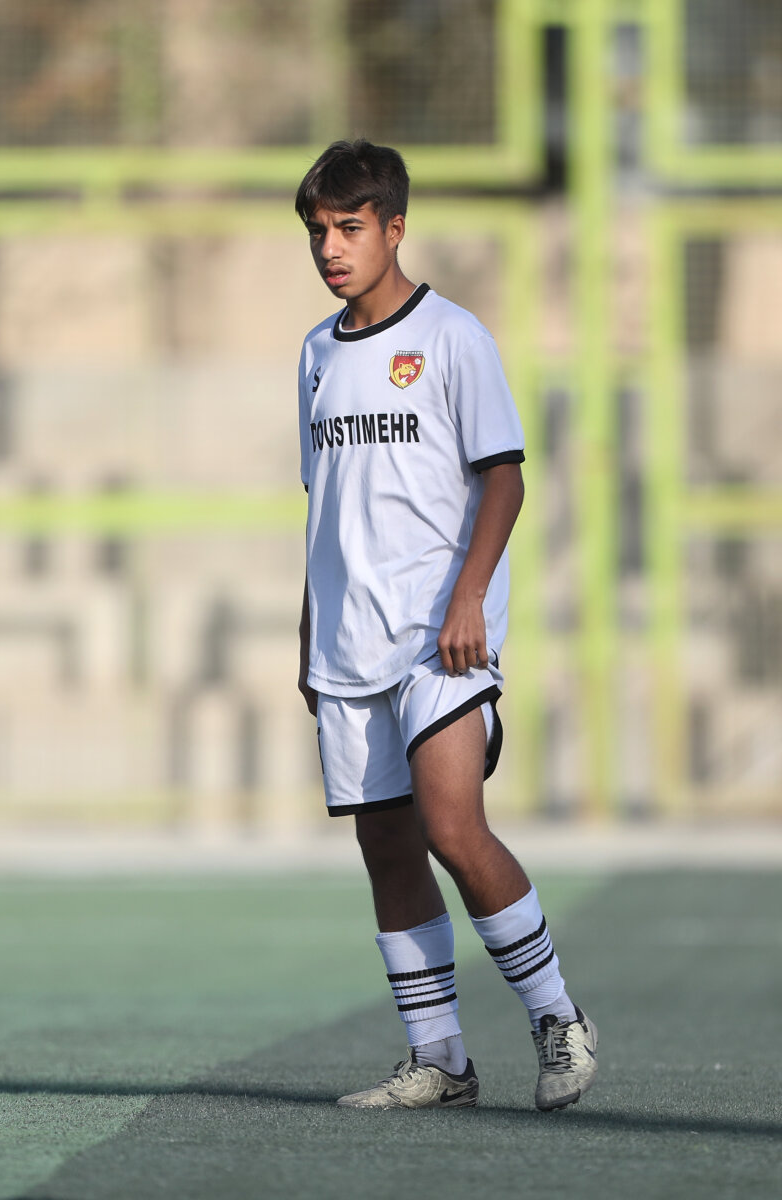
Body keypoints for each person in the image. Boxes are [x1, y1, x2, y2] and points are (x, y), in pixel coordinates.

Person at [295, 139, 597, 1112]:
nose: (331, 248)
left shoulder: (454, 336)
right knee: (386, 848)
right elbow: (324, 508)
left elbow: (502, 477)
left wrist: (469, 597)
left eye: (349, 227)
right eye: (318, 231)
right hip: (347, 645)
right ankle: (440, 1060)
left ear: (394, 227)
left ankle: (558, 1019)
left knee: (453, 829)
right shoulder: (314, 354)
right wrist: (308, 638)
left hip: (439, 636)